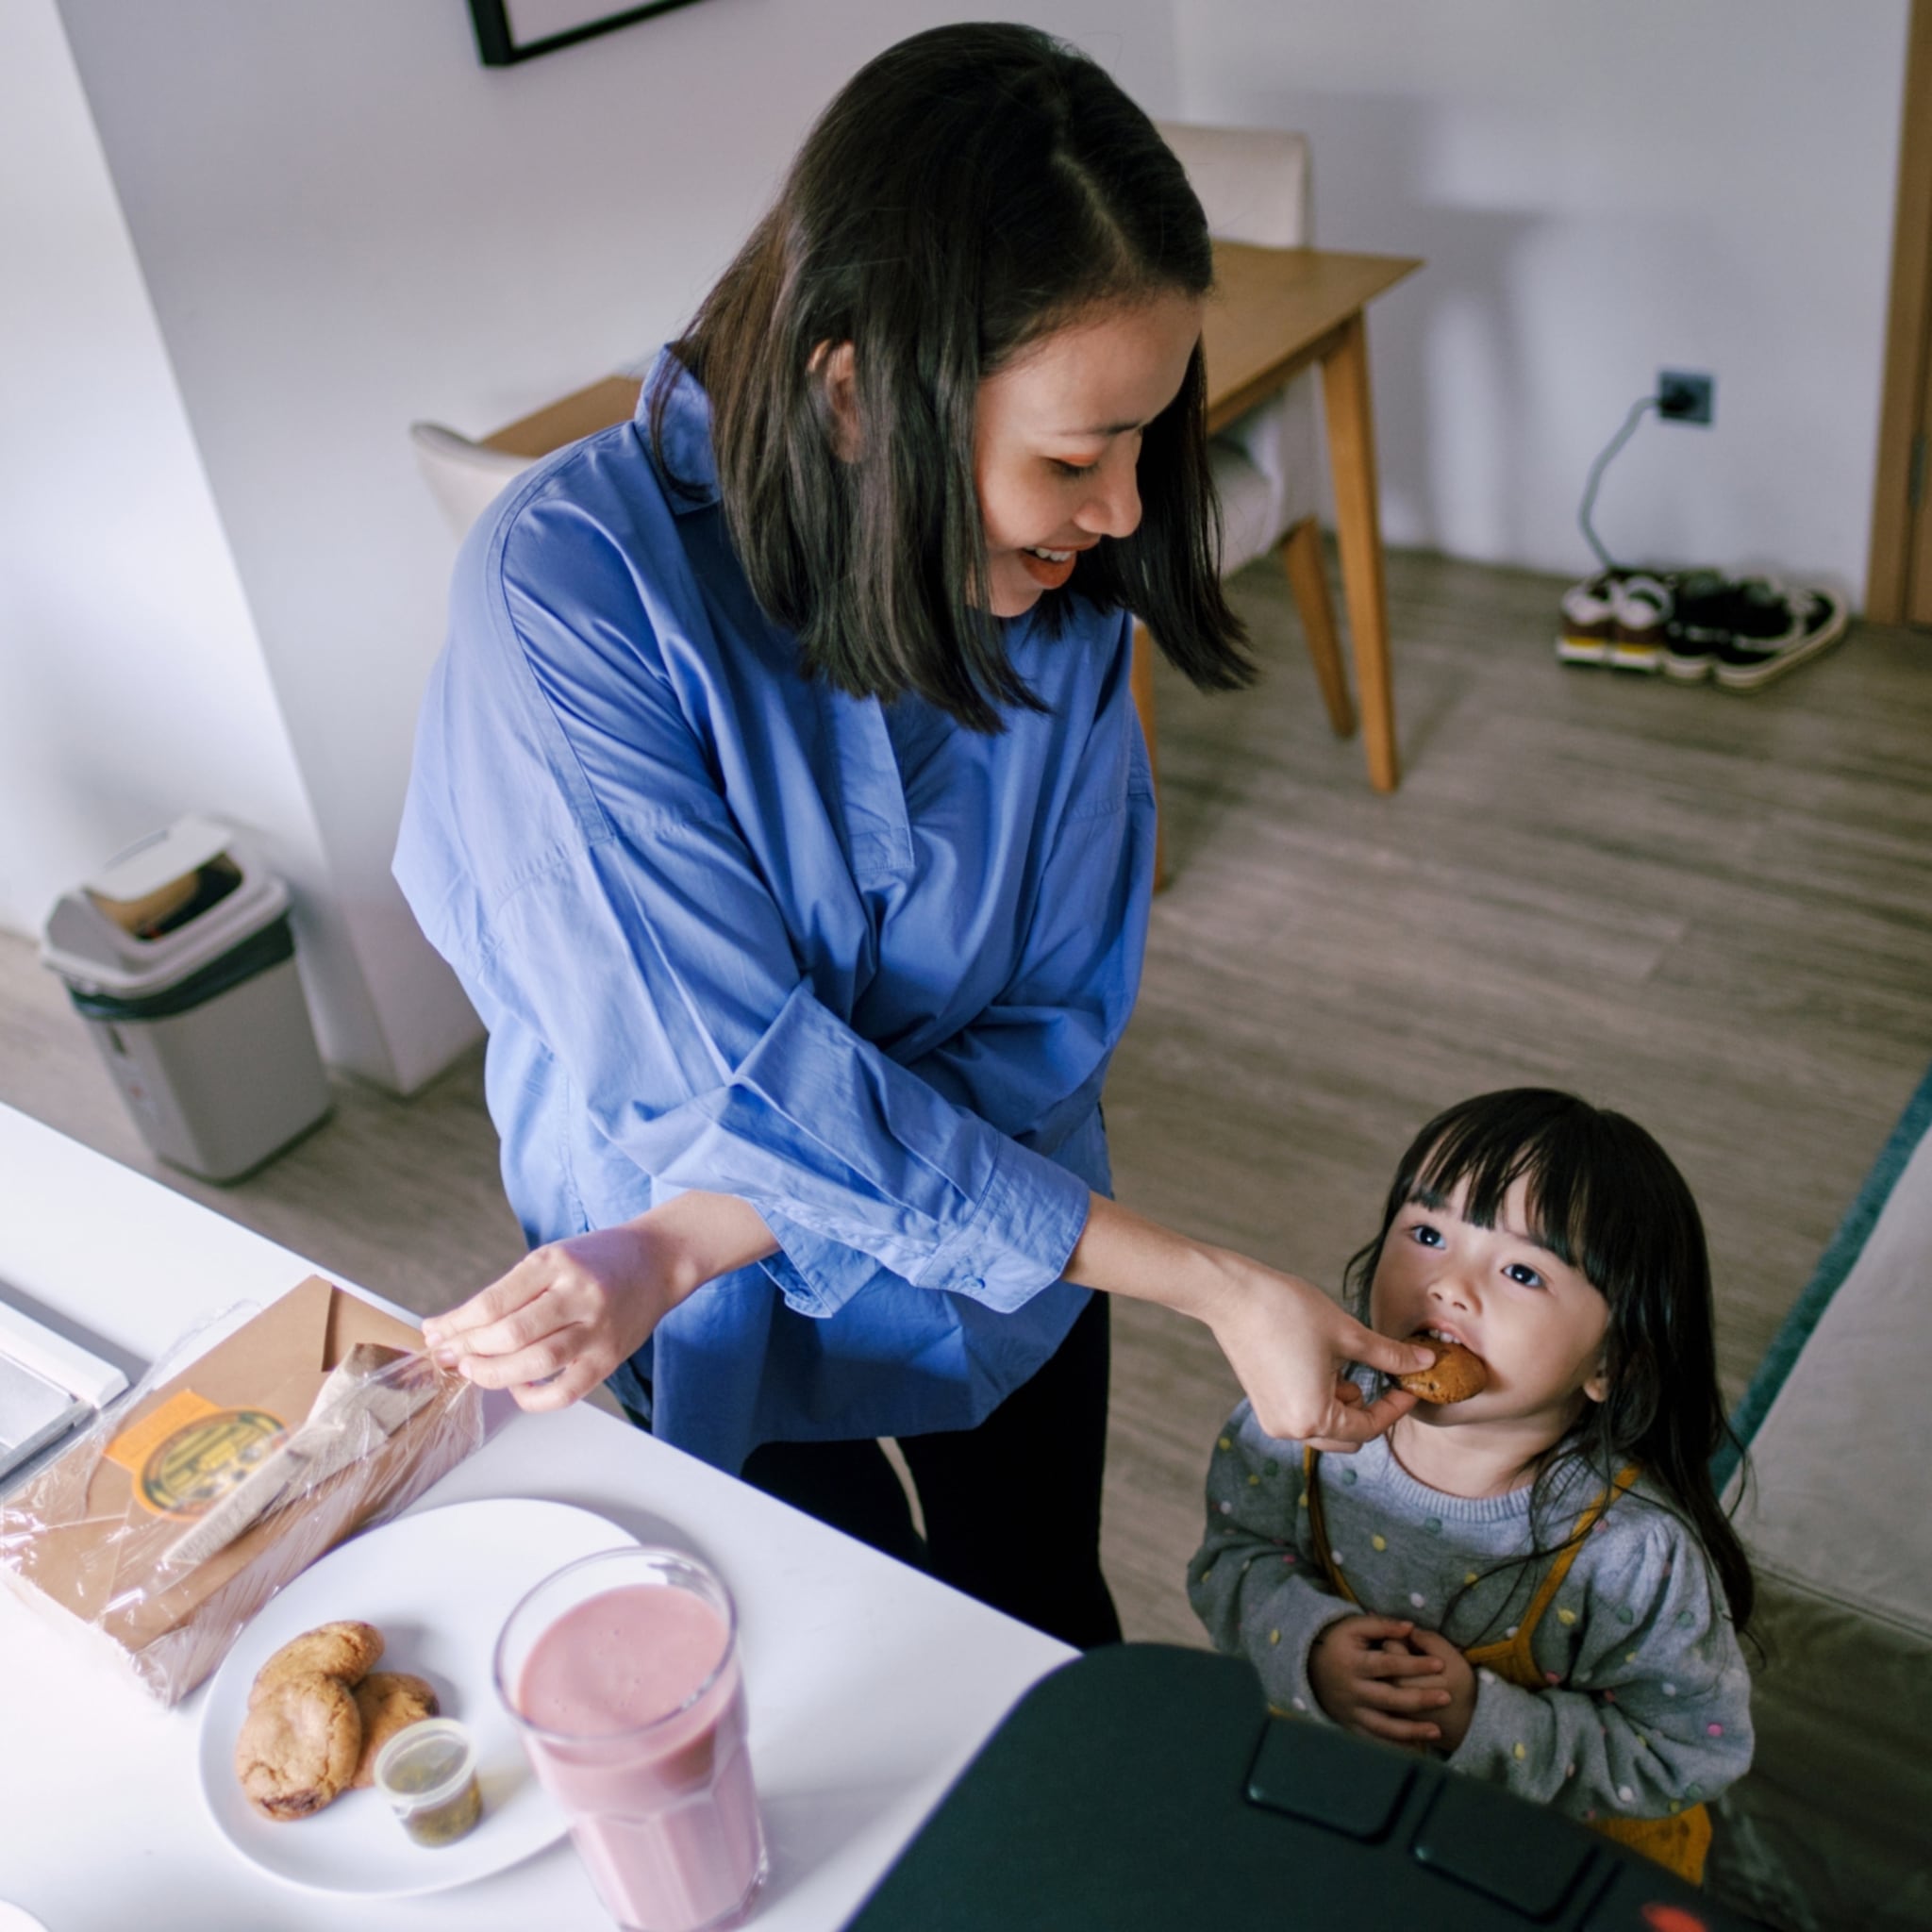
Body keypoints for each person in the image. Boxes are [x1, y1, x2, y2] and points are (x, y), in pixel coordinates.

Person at [396, 23, 1431, 1653]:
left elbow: (1046, 1023)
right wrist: (1219, 1283)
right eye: (1074, 456)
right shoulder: (568, 590)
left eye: (1145, 444)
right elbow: (725, 1082)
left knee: (1043, 1626)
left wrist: (701, 1221)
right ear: (856, 391)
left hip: (898, 1259)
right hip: (699, 1309)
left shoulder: (1061, 591)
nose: (1125, 513)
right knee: (840, 1663)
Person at [1189, 1089, 1755, 1881]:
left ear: (1611, 1363)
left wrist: (1478, 1721)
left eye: (1522, 1270)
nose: (1449, 1285)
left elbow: (1685, 1751)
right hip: (1347, 1811)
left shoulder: (1632, 1554)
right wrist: (1307, 1648)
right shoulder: (1296, 1424)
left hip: (1544, 1867)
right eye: (1427, 1233)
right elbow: (1229, 1563)